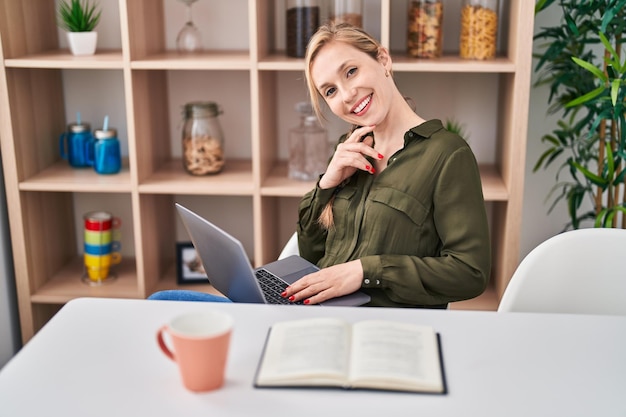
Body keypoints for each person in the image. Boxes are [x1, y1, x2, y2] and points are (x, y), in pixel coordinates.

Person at [280, 23, 491, 308]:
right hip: (319, 311)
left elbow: (470, 273)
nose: (346, 95)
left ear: (383, 60)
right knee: (203, 304)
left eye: (351, 71)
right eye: (330, 91)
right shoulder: (349, 149)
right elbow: (309, 255)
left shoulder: (447, 155)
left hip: (385, 326)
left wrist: (366, 272)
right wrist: (326, 184)